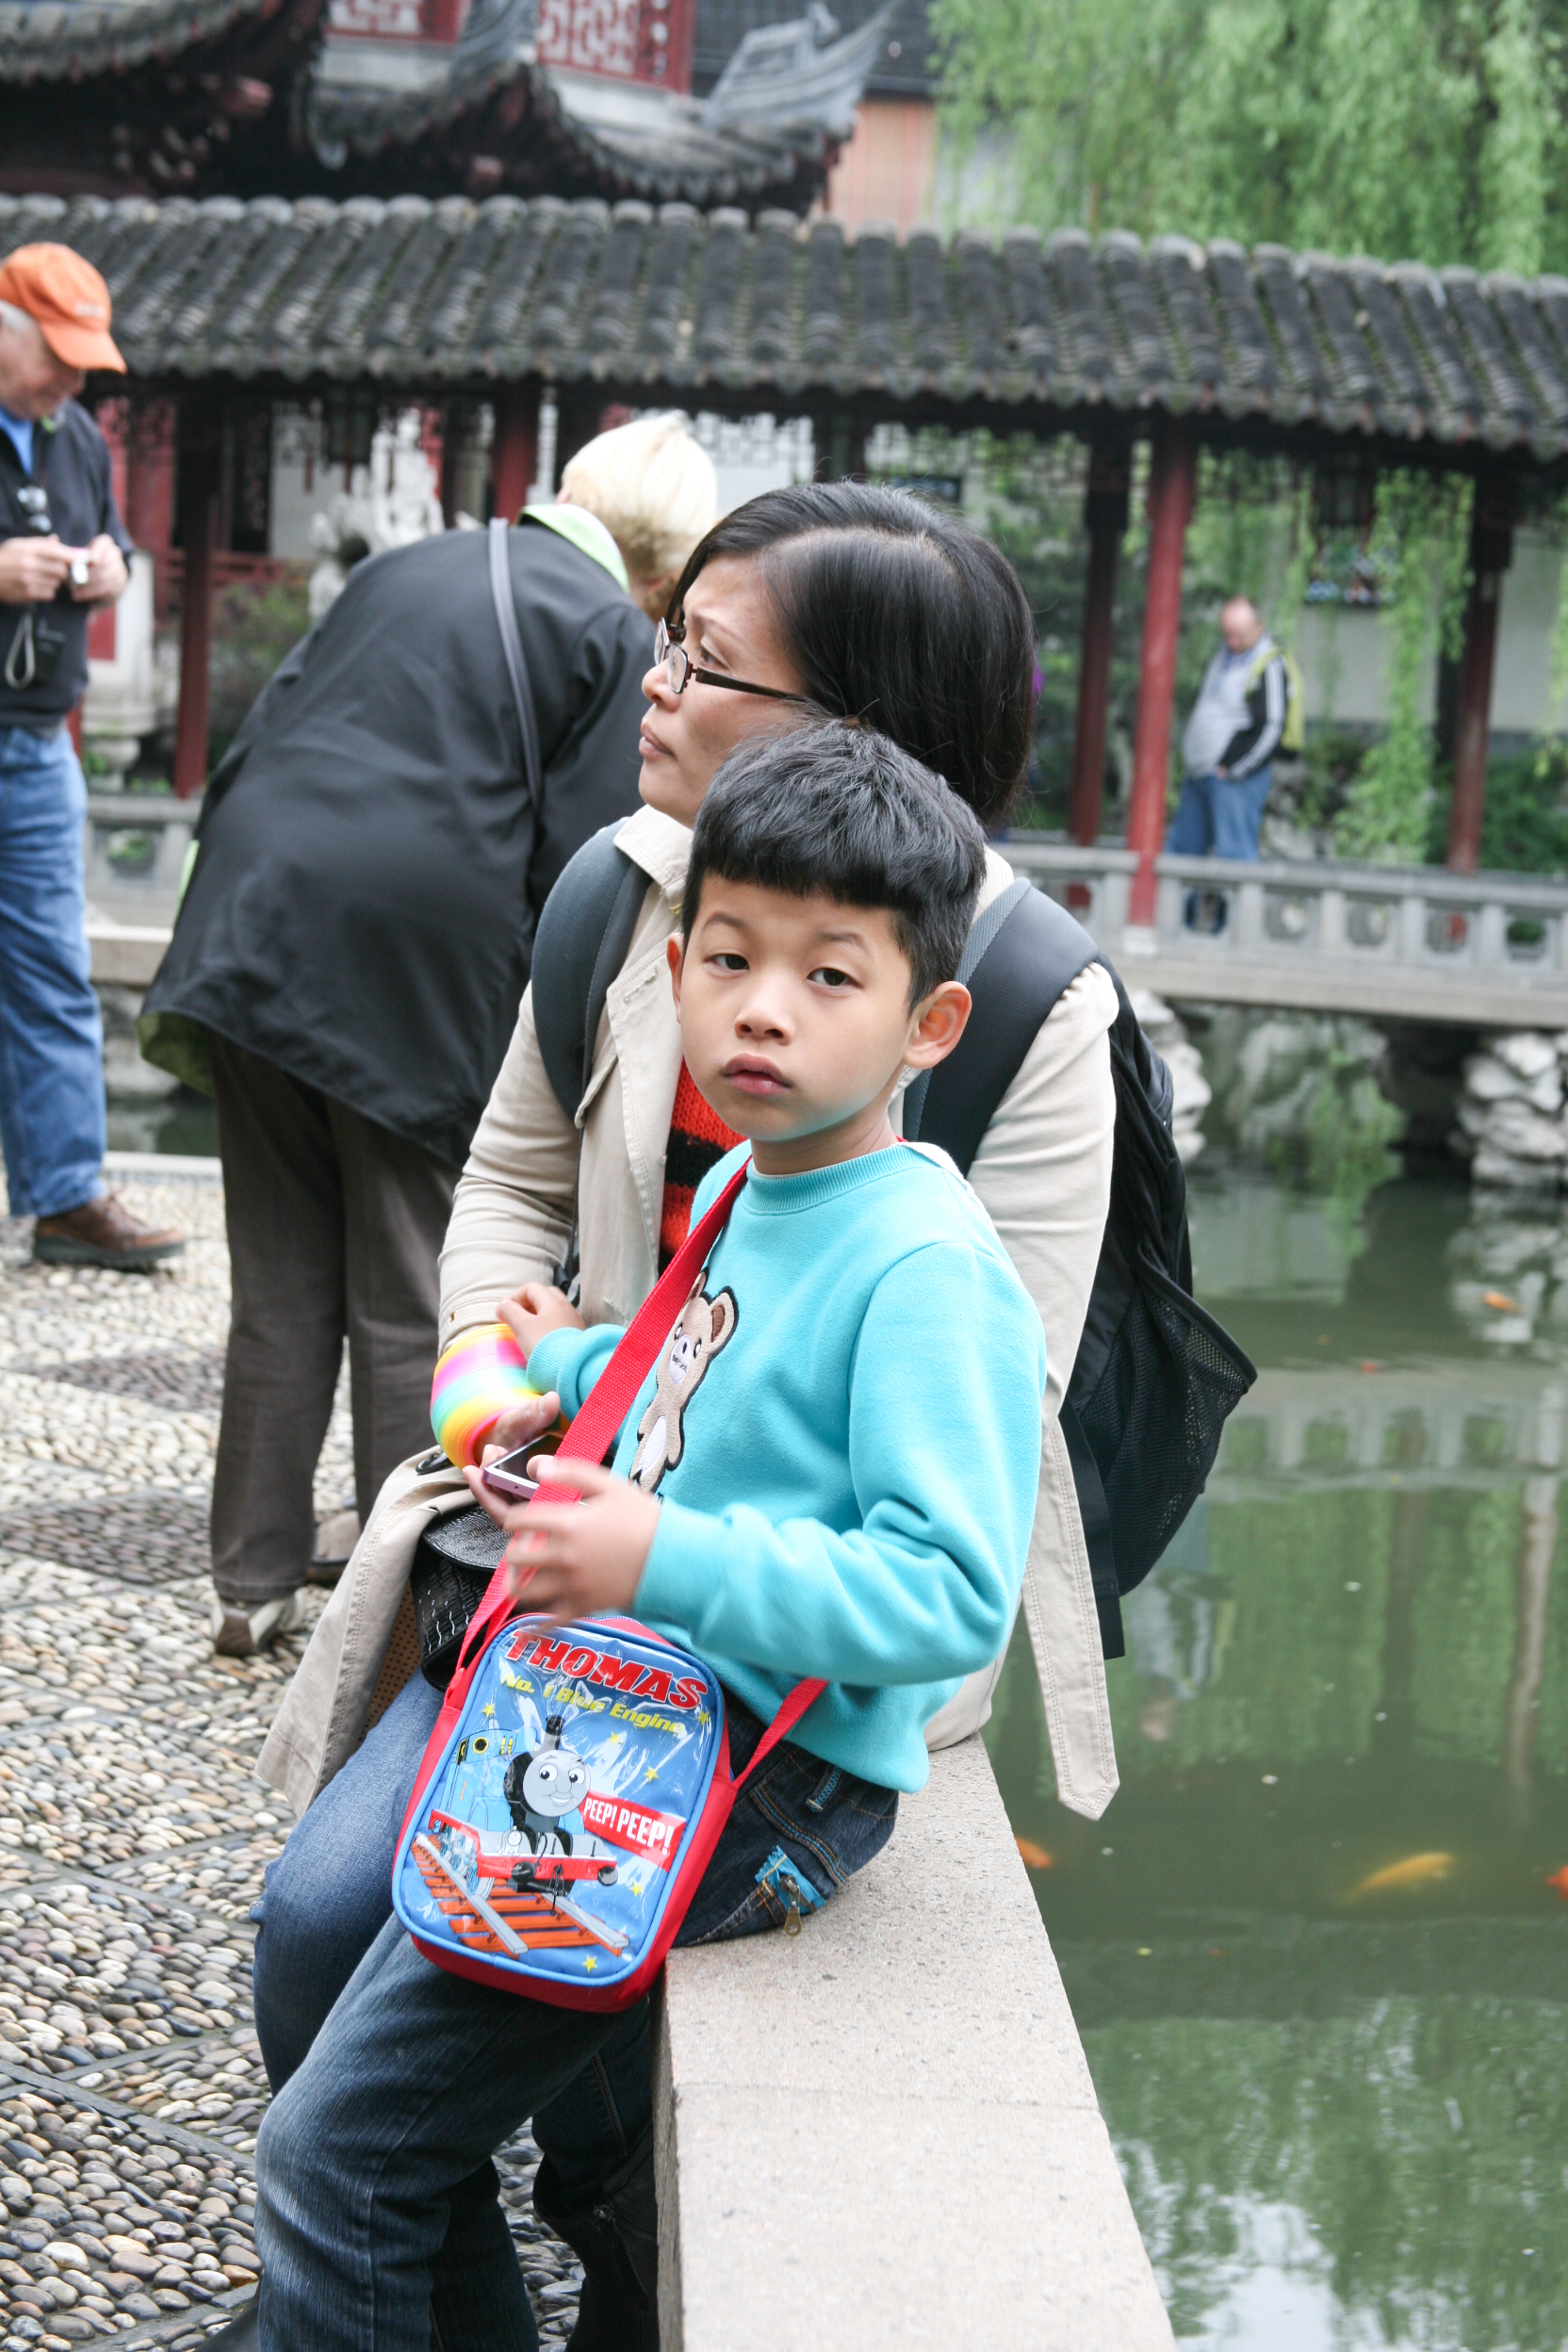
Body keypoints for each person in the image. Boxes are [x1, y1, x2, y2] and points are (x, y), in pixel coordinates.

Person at [252, 482, 1120, 2347]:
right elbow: (649, 1320)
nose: (754, 1008)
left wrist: (651, 1540)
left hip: (754, 1735)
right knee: (325, 1993)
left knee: (348, 2149)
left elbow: (946, 1553)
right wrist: (526, 1370)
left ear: (929, 1014)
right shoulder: (666, 983)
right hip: (617, 1645)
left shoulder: (943, 1197)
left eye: (822, 974)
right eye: (723, 958)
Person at [139, 419, 717, 1658]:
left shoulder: (412, 562)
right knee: (411, 1292)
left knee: (280, 1278)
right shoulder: (610, 631)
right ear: (665, 574)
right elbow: (588, 873)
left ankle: (248, 1588)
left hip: (250, 920)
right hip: (400, 964)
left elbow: (268, 728)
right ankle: (407, 1608)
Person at [0, 244, 184, 1271]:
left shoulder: (75, 440)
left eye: (83, 361)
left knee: (52, 972)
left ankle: (66, 1197)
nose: (73, 380)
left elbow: (109, 541)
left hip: (35, 744)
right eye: (56, 357)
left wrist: (108, 570)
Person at [1168, 594, 1289, 862]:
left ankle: (1235, 906)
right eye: (1228, 635)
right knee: (1181, 854)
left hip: (1234, 779)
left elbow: (1271, 728)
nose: (1233, 642)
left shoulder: (1270, 665)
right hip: (1199, 773)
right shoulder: (1223, 658)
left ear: (1258, 628)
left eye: (1240, 636)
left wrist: (1234, 770)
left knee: (1234, 857)